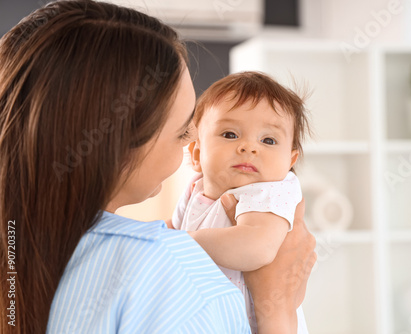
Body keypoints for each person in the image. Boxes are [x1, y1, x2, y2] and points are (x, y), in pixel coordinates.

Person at [0, 1, 317, 334]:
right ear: (119, 146)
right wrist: (277, 311)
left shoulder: (20, 245)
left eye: (269, 140)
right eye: (182, 132)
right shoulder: (170, 271)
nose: (189, 143)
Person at [170, 72, 311, 333]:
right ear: (198, 153)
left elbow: (257, 247)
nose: (248, 147)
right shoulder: (195, 189)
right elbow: (171, 228)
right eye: (230, 134)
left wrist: (180, 244)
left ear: (289, 162)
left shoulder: (268, 192)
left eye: (268, 140)